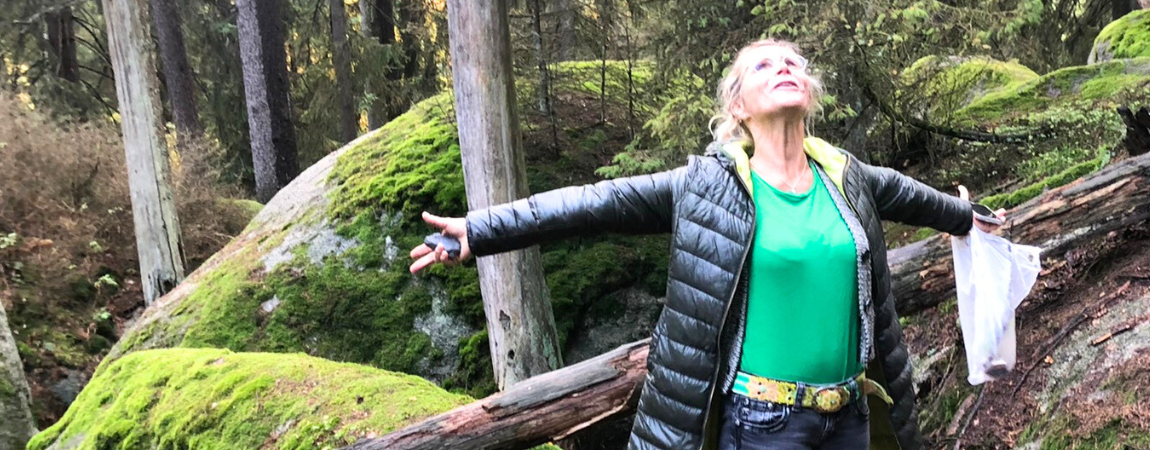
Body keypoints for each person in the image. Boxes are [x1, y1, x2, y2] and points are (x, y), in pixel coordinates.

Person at [410, 39, 997, 450]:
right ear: (738, 106)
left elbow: (919, 200)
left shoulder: (847, 178)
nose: (784, 67)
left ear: (810, 95)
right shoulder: (706, 187)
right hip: (764, 426)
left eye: (793, 63)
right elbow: (592, 204)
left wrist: (970, 216)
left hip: (849, 419)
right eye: (764, 65)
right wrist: (480, 231)